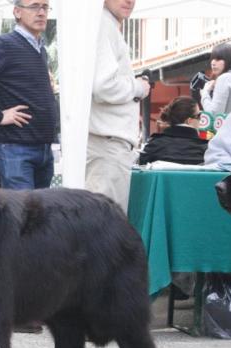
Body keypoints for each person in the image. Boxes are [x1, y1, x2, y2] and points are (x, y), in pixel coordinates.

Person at [0, 0, 57, 190]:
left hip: (43, 149)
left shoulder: (40, 50)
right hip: (15, 150)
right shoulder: (2, 45)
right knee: (22, 216)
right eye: (35, 6)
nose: (42, 12)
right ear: (17, 12)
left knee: (40, 217)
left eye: (45, 7)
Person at [86, 0, 150, 212]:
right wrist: (138, 87)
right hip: (108, 145)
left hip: (108, 144)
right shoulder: (103, 24)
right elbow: (103, 86)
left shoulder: (106, 24)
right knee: (104, 229)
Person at [138, 96, 207, 165]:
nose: (200, 120)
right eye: (199, 115)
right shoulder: (206, 150)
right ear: (189, 121)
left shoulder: (153, 146)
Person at [200, 43, 231, 116]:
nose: (213, 63)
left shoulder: (225, 78)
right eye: (212, 59)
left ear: (229, 60)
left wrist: (205, 93)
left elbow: (213, 114)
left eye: (218, 59)